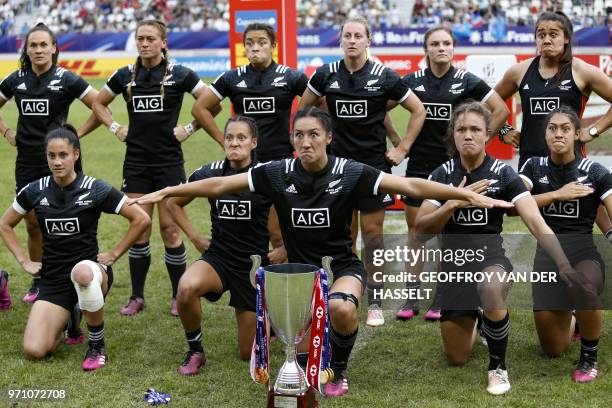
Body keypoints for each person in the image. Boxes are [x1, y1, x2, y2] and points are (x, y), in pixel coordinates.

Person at [128, 107, 512, 396]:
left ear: (328, 137)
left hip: (342, 266)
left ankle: (339, 370)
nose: (305, 142)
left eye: (313, 134)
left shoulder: (352, 171)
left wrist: (459, 192)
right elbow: (218, 185)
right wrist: (170, 191)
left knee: (343, 309)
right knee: (286, 352)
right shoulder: (277, 172)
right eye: (298, 135)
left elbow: (411, 185)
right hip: (298, 274)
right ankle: (308, 338)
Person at [414, 101, 577, 395]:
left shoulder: (503, 174)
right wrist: (453, 203)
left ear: (487, 135)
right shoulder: (441, 175)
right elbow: (421, 229)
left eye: (475, 129)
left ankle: (498, 368)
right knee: (457, 358)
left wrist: (564, 264)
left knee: (490, 287)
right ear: (452, 134)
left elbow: (536, 223)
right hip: (454, 272)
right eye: (461, 129)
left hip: (492, 263)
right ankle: (479, 317)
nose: (468, 135)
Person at [298, 16, 426, 327]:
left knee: (373, 237)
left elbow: (418, 109)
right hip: (336, 170)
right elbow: (305, 111)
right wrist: (317, 143)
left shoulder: (384, 76)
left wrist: (402, 148)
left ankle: (376, 301)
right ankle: (339, 295)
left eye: (358, 35)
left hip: (372, 170)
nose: (352, 40)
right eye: (347, 36)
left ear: (368, 41)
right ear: (340, 40)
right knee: (343, 237)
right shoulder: (326, 74)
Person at [0, 124, 150, 370]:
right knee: (34, 351)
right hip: (54, 279)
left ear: (76, 155)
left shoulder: (94, 188)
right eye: (51, 156)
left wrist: (114, 254)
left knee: (82, 272)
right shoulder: (35, 190)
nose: (57, 161)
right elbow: (5, 224)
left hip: (91, 272)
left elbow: (141, 219)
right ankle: (66, 321)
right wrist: (24, 261)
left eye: (63, 155)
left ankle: (96, 345)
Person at [92, 19, 209, 317]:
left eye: (150, 38)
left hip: (169, 162)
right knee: (139, 226)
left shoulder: (180, 74)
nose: (144, 43)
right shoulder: (124, 76)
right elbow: (99, 103)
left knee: (170, 230)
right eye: (140, 38)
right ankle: (137, 296)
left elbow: (212, 103)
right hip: (137, 163)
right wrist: (116, 128)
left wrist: (191, 127)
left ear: (163, 42)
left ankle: (175, 296)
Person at [395, 25, 509, 321]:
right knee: (416, 232)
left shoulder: (467, 80)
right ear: (426, 49)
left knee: (447, 231)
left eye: (446, 43)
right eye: (435, 43)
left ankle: (442, 294)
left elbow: (500, 109)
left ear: (453, 48)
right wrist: (399, 143)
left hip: (453, 167)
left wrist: (484, 139)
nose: (441, 48)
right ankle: (411, 293)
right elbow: (379, 107)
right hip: (420, 165)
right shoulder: (412, 80)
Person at [0, 23, 102, 305]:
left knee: (69, 222)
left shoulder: (66, 79)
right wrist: (8, 131)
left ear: (54, 48)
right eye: (33, 45)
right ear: (27, 50)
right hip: (28, 164)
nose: (38, 50)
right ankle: (40, 281)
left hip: (62, 163)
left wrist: (75, 136)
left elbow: (99, 104)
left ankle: (80, 276)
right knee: (34, 225)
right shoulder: (16, 79)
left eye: (44, 45)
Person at [192, 22, 309, 263]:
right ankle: (247, 286)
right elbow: (200, 108)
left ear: (273, 46)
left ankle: (286, 289)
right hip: (243, 169)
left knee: (278, 235)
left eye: (262, 42)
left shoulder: (291, 76)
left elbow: (320, 103)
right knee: (246, 234)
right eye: (250, 43)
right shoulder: (232, 77)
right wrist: (222, 141)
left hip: (279, 166)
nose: (255, 48)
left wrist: (298, 135)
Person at [167, 116, 272, 375]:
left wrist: (285, 247)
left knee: (248, 353)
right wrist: (194, 237)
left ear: (253, 143)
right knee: (186, 288)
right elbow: (173, 203)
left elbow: (294, 208)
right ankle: (195, 350)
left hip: (253, 265)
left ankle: (268, 315)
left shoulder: (267, 175)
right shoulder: (210, 172)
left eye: (241, 138)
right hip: (219, 257)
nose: (234, 143)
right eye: (229, 138)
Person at [518, 106, 611, 383]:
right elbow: (515, 207)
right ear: (545, 134)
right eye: (552, 128)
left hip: (584, 256)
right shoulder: (532, 167)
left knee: (582, 283)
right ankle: (574, 315)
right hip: (546, 260)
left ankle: (589, 356)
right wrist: (558, 194)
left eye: (565, 129)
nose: (558, 133)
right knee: (553, 350)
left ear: (577, 134)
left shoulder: (594, 171)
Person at [494, 12, 612, 168]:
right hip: (529, 166)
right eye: (541, 35)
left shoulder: (582, 71)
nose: (546, 40)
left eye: (553, 34)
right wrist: (503, 129)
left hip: (571, 167)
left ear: (566, 38)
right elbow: (486, 102)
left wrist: (593, 130)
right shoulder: (518, 71)